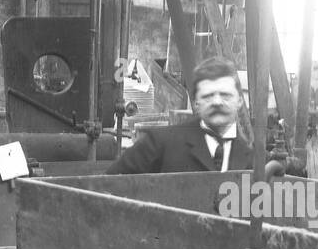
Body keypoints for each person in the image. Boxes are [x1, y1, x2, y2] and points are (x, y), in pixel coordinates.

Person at [106, 56, 253, 174]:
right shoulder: (159, 144)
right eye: (208, 96)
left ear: (240, 101)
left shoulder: (256, 159)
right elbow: (105, 189)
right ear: (196, 103)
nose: (217, 102)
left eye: (225, 95)